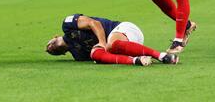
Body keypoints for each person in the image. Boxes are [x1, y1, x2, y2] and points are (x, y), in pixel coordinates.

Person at [46, 14, 179, 66]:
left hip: (126, 29)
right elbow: (103, 57)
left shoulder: (67, 25)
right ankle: (137, 60)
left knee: (110, 45)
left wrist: (102, 43)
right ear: (62, 53)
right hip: (130, 48)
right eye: (51, 51)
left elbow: (94, 24)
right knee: (95, 54)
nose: (49, 48)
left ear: (55, 36)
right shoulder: (78, 56)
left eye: (48, 45)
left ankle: (162, 56)